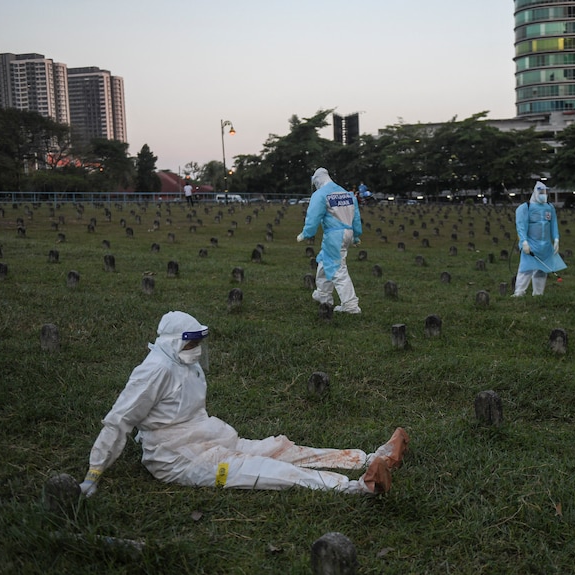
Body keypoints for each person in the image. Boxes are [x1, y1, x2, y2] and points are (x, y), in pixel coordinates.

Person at [79, 311, 408, 497]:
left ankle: (371, 458)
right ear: (172, 342)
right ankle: (358, 489)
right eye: (191, 342)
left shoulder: (186, 363)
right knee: (266, 470)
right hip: (175, 458)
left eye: (199, 342)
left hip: (209, 437)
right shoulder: (153, 370)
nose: (196, 347)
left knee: (278, 448)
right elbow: (118, 421)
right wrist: (94, 473)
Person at [297, 168, 363, 313]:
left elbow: (313, 215)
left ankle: (350, 305)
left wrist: (306, 233)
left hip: (334, 235)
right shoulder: (347, 194)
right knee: (324, 261)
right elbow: (356, 217)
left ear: (317, 180)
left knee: (338, 268)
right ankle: (323, 294)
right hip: (347, 232)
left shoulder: (321, 194)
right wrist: (356, 235)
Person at [512, 181, 567, 297]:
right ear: (535, 193)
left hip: (545, 245)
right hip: (531, 244)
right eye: (541, 192)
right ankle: (519, 292)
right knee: (526, 269)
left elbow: (553, 224)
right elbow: (521, 226)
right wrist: (524, 242)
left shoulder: (550, 207)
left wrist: (556, 239)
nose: (544, 194)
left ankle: (538, 293)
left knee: (542, 270)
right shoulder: (525, 208)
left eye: (545, 192)